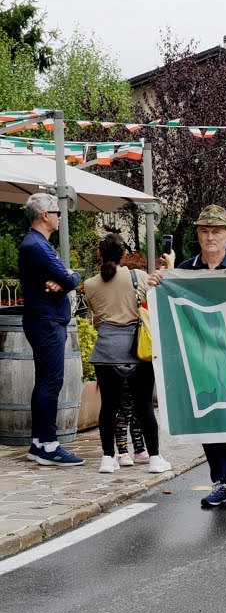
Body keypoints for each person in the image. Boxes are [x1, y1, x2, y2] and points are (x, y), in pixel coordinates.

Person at [160, 205, 226, 509]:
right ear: (197, 234)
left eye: (216, 231)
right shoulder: (185, 271)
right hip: (198, 360)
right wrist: (156, 285)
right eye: (204, 231)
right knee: (208, 420)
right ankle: (219, 481)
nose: (210, 237)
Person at [82, 233, 172, 475]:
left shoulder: (89, 285)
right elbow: (158, 296)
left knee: (108, 407)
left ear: (99, 254)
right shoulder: (139, 276)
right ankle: (154, 458)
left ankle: (108, 458)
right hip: (138, 350)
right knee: (144, 405)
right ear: (124, 254)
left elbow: (96, 319)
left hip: (105, 351)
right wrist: (169, 265)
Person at [19, 194, 85, 467]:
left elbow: (68, 278)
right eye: (57, 212)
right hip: (47, 321)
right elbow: (69, 279)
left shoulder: (37, 244)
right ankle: (49, 444)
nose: (60, 216)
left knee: (44, 382)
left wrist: (68, 278)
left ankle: (38, 442)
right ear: (45, 215)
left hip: (43, 319)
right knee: (51, 383)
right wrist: (68, 279)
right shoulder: (38, 245)